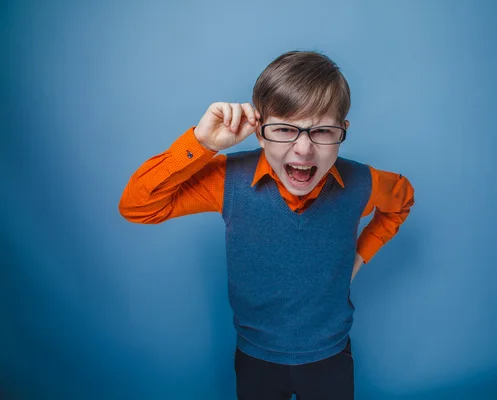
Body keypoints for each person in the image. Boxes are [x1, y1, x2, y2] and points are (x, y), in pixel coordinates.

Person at [119, 50, 415, 400]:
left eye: (321, 130)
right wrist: (201, 144)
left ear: (343, 130)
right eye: (285, 129)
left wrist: (359, 257)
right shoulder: (228, 180)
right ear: (259, 132)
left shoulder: (363, 183)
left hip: (331, 355)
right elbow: (138, 206)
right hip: (255, 356)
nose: (303, 149)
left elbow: (402, 200)